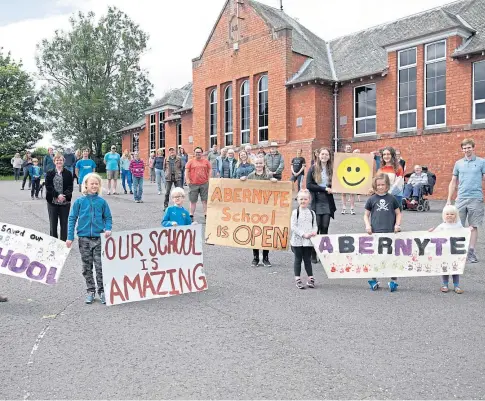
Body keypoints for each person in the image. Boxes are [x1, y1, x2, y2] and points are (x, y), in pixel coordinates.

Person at [66, 173, 112, 304]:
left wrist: (108, 228)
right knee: (86, 267)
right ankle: (90, 290)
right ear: (85, 185)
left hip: (98, 238)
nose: (94, 185)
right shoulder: (79, 202)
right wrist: (70, 237)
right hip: (84, 239)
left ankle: (102, 291)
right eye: (92, 183)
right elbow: (72, 218)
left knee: (100, 266)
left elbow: (107, 217)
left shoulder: (102, 202)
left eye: (96, 184)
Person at [447, 138, 485, 263]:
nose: (466, 150)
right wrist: (449, 199)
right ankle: (458, 251)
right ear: (462, 149)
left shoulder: (481, 162)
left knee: (473, 226)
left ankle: (471, 252)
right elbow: (453, 182)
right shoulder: (458, 163)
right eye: (464, 148)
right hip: (461, 198)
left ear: (473, 148)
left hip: (476, 198)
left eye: (469, 147)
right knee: (457, 225)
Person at [364, 173, 402, 292]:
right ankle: (374, 280)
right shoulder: (371, 199)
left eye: (383, 185)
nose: (380, 187)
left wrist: (397, 225)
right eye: (378, 185)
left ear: (387, 185)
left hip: (390, 232)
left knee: (391, 257)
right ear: (375, 185)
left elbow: (398, 213)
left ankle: (393, 281)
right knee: (375, 257)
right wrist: (367, 225)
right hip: (375, 232)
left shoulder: (392, 198)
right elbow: (366, 215)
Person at [306, 147, 337, 263]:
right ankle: (313, 253)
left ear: (329, 157)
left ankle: (323, 254)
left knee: (325, 227)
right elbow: (309, 185)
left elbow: (338, 182)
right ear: (318, 156)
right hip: (317, 200)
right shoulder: (313, 168)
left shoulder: (331, 169)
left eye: (326, 155)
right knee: (316, 228)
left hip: (327, 201)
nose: (324, 156)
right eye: (322, 154)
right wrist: (324, 189)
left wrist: (335, 188)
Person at [246, 156, 278, 267]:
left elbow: (276, 190)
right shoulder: (250, 176)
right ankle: (255, 257)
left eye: (260, 163)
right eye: (257, 163)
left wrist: (274, 181)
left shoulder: (268, 176)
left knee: (266, 233)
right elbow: (245, 190)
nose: (259, 165)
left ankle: (265, 257)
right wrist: (242, 181)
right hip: (254, 209)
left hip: (266, 209)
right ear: (254, 164)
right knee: (255, 233)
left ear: (264, 164)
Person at [429, 205, 467, 294]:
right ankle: (445, 285)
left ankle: (456, 285)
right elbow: (434, 234)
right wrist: (430, 231)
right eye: (447, 214)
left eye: (452, 214)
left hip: (455, 252)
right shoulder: (442, 226)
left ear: (456, 215)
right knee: (445, 268)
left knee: (455, 268)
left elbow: (464, 233)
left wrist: (469, 230)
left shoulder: (458, 225)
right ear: (444, 215)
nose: (449, 215)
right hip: (445, 252)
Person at [290, 189, 318, 289]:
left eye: (305, 199)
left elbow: (315, 225)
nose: (303, 201)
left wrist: (314, 231)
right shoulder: (295, 212)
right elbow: (293, 226)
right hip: (297, 241)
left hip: (308, 241)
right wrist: (303, 234)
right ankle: (298, 278)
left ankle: (310, 278)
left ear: (309, 200)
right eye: (301, 199)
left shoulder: (312, 213)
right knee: (298, 259)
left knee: (307, 259)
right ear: (297, 199)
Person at [45, 153, 73, 241]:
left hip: (65, 202)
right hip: (52, 201)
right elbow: (48, 186)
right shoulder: (50, 173)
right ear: (54, 162)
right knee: (53, 223)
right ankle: (53, 241)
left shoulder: (68, 173)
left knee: (64, 223)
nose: (59, 161)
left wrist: (63, 196)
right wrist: (57, 195)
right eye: (57, 160)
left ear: (63, 161)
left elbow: (70, 187)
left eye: (60, 160)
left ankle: (63, 242)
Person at [185, 146, 211, 222]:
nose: (198, 154)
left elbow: (210, 169)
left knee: (205, 200)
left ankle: (206, 215)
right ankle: (191, 215)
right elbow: (186, 171)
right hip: (193, 184)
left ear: (202, 153)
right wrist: (187, 180)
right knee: (193, 201)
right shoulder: (190, 161)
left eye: (199, 152)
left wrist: (209, 179)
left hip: (204, 184)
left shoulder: (206, 161)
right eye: (196, 152)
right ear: (194, 153)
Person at [341, 144, 355, 215]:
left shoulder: (354, 157)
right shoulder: (342, 157)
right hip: (344, 177)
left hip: (352, 176)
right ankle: (344, 207)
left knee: (352, 193)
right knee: (343, 193)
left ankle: (352, 208)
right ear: (345, 149)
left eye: (350, 147)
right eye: (347, 148)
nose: (349, 149)